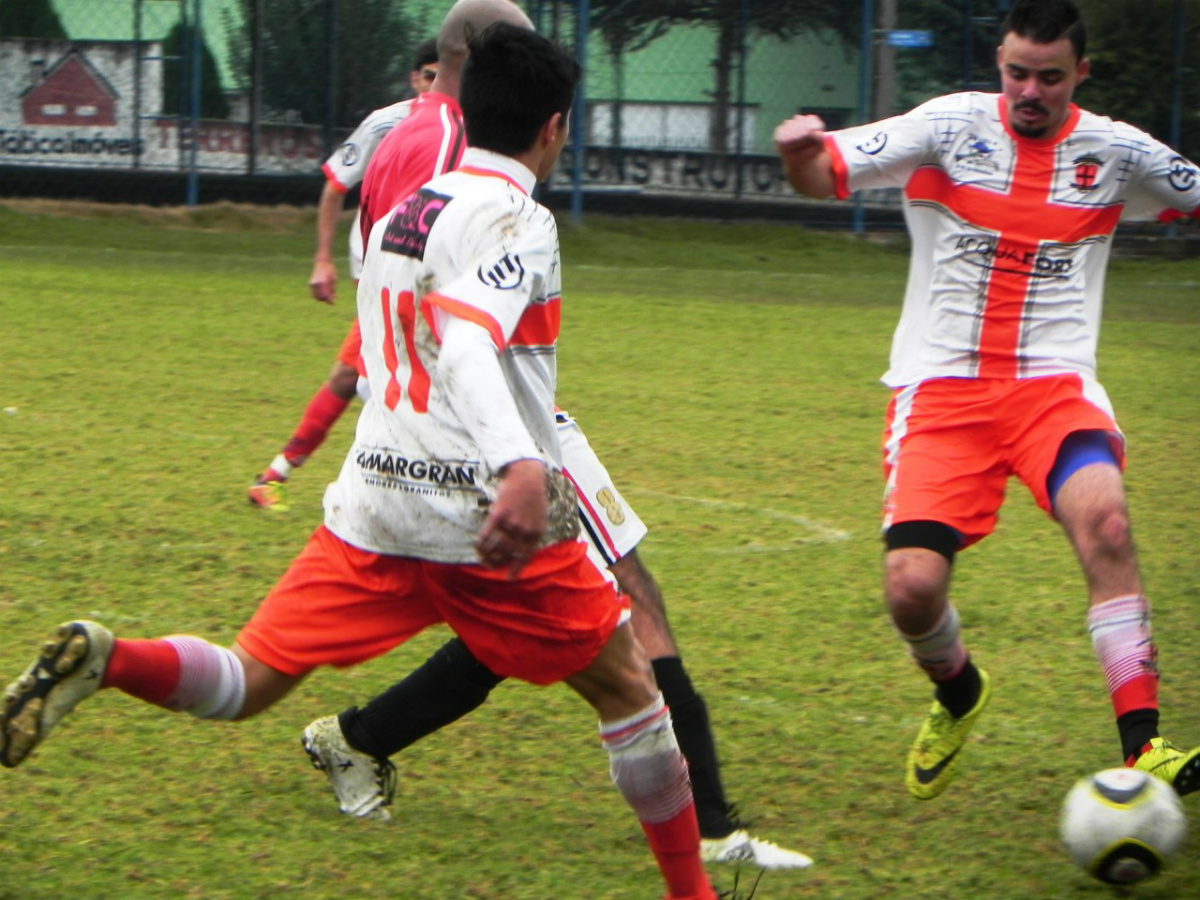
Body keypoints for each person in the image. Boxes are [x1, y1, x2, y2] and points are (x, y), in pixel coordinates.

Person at [0, 20, 718, 900]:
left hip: (374, 506)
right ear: (554, 126)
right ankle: (696, 892)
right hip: (479, 514)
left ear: (461, 106)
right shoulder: (520, 219)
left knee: (246, 682)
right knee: (633, 695)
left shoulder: (410, 211)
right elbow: (464, 346)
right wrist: (519, 468)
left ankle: (110, 659)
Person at [774, 0, 1200, 802]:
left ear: (1081, 73)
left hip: (1054, 391)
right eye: (1015, 72)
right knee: (911, 587)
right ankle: (960, 692)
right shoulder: (945, 127)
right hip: (942, 394)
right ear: (999, 63)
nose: (1028, 91)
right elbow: (820, 174)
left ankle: (1144, 746)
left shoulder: (1116, 150)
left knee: (1106, 521)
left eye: (1047, 76)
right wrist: (798, 148)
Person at [302, 411, 813, 869]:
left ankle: (358, 738)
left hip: (534, 424)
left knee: (530, 619)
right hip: (506, 440)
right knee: (623, 592)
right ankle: (710, 828)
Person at [248, 38, 440, 511]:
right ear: (416, 79)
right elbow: (335, 186)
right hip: (385, 270)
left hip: (428, 273)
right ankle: (394, 491)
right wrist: (322, 258)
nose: (438, 85)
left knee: (353, 375)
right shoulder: (388, 123)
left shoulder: (465, 126)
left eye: (448, 75)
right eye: (430, 76)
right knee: (405, 378)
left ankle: (274, 475)